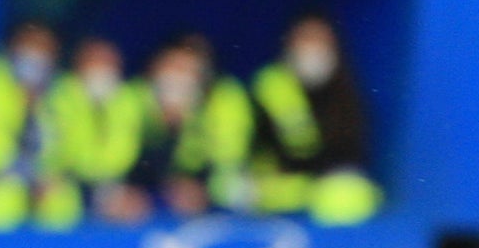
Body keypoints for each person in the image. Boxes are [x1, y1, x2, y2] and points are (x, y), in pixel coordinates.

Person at [248, 14, 381, 224]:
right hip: (272, 199)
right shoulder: (268, 86)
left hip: (323, 199)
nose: (312, 49)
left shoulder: (347, 94)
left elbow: (349, 156)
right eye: (305, 39)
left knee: (348, 194)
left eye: (320, 41)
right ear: (289, 45)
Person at [0, 20, 75, 230]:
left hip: (40, 180)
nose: (36, 54)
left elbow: (64, 151)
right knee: (0, 200)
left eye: (44, 48)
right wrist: (21, 100)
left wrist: (46, 176)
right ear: (12, 47)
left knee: (62, 201)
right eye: (30, 44)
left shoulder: (60, 91)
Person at [139, 37, 252, 220]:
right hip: (147, 200)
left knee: (238, 192)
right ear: (154, 68)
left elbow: (228, 163)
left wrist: (204, 191)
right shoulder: (134, 98)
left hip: (208, 206)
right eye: (172, 67)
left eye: (187, 70)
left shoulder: (221, 100)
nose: (178, 77)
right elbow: (126, 165)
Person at [51, 36, 149, 227]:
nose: (102, 69)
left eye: (108, 63)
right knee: (57, 203)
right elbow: (57, 157)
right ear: (78, 65)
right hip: (65, 183)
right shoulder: (57, 96)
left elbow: (128, 158)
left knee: (135, 207)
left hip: (109, 187)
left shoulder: (128, 100)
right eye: (95, 61)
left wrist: (114, 192)